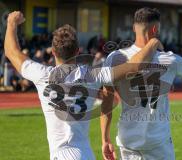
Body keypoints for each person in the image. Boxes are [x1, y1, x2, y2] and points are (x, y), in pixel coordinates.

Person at [4, 11, 163, 160]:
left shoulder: (43, 75)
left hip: (61, 154)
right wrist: (153, 41)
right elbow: (135, 66)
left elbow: (11, 52)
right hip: (86, 153)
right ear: (78, 51)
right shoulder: (93, 75)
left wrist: (11, 23)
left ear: (53, 51)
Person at [100, 7, 182, 160]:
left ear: (134, 28)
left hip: (128, 141)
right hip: (157, 142)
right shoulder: (168, 60)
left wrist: (105, 139)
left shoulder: (114, 58)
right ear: (155, 29)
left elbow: (107, 100)